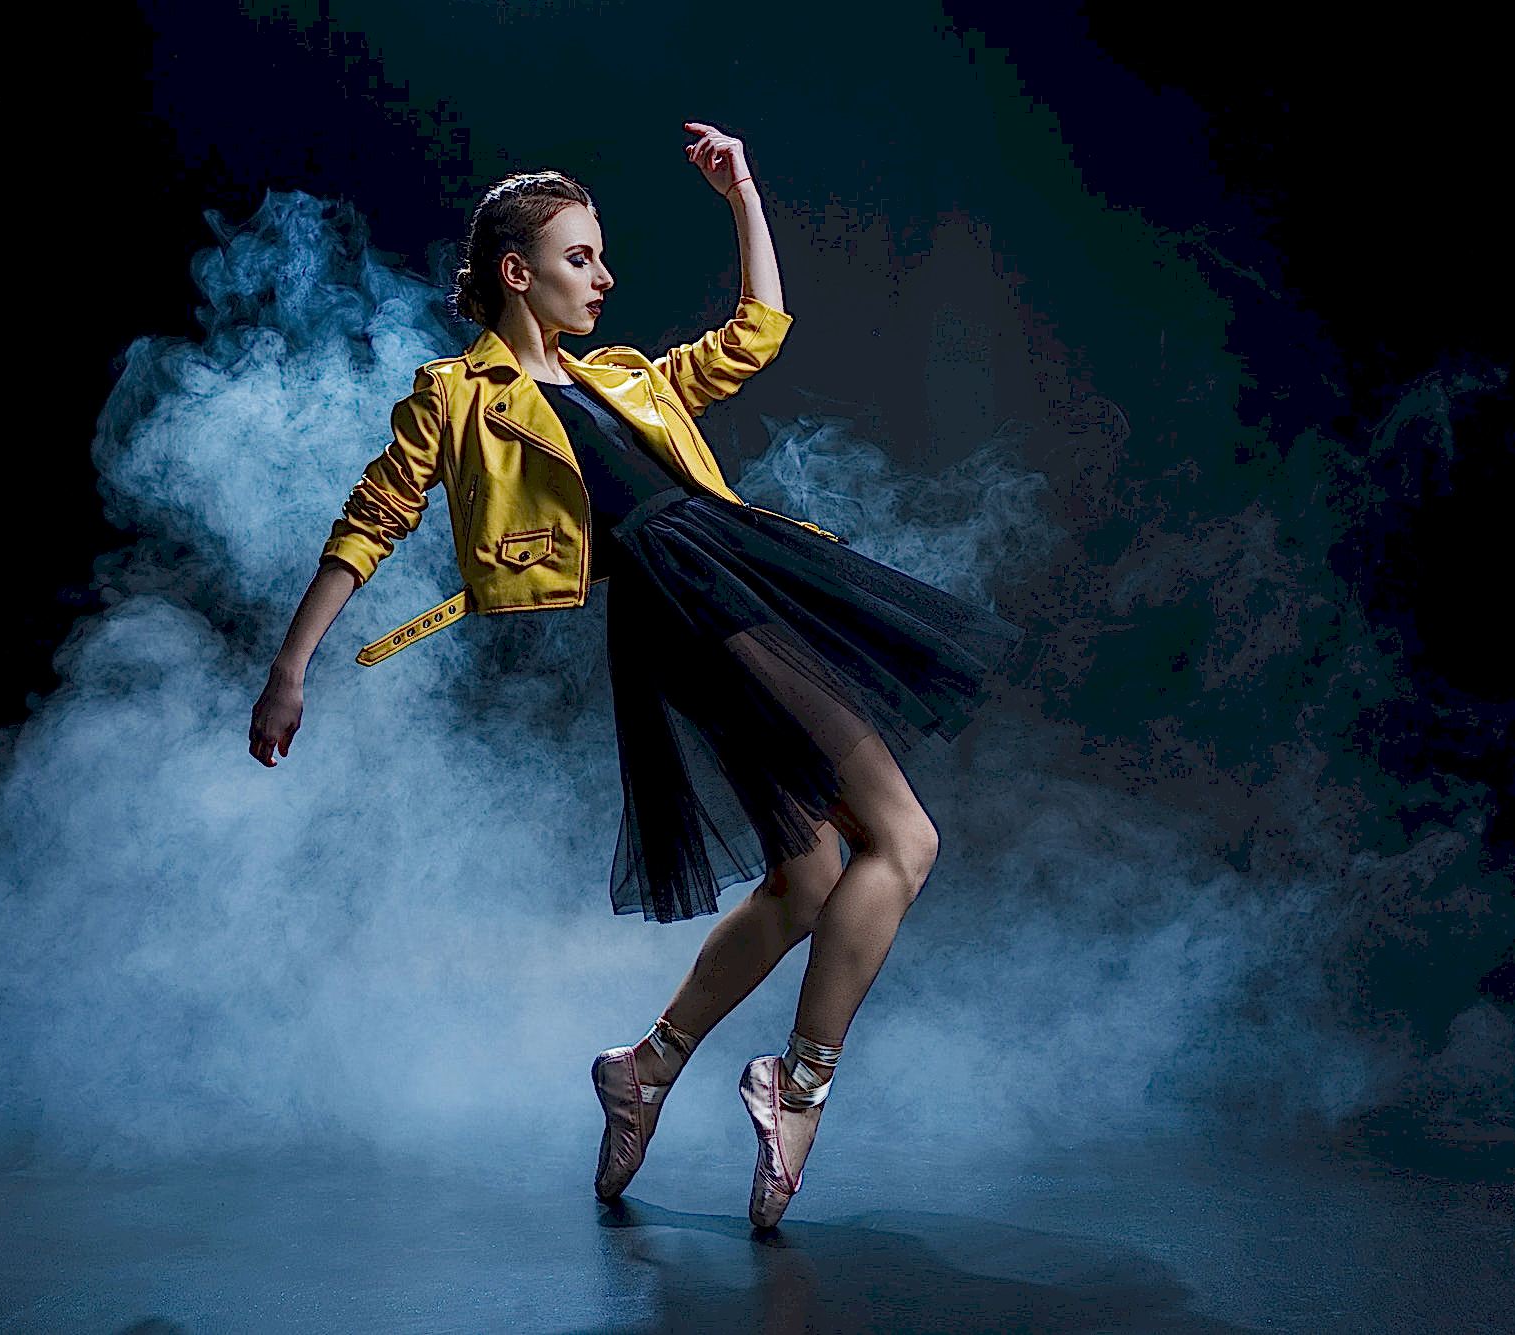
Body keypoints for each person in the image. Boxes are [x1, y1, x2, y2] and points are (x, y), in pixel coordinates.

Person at [249, 121, 1027, 1230]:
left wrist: (742, 194)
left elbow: (755, 334)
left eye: (602, 257)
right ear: (515, 271)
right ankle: (794, 1086)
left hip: (726, 575)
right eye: (579, 258)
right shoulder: (456, 396)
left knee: (808, 877)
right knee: (902, 840)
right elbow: (375, 516)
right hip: (688, 599)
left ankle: (644, 1068)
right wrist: (292, 668)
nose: (604, 278)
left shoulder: (623, 379)